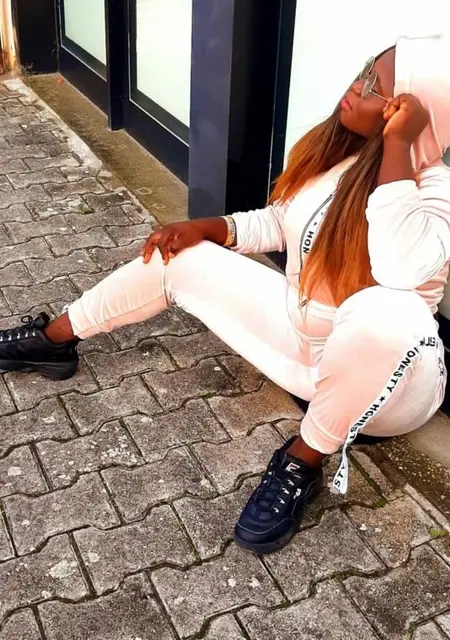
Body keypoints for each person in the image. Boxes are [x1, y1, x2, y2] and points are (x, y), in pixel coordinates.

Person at [1, 34, 450, 555]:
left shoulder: (435, 189)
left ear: (416, 113)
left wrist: (400, 148)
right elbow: (281, 223)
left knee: (387, 313)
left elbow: (399, 266)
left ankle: (302, 461)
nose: (356, 86)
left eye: (378, 87)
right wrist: (213, 228)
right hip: (306, 346)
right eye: (366, 69)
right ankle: (54, 340)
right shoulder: (341, 157)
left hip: (390, 392)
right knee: (179, 256)